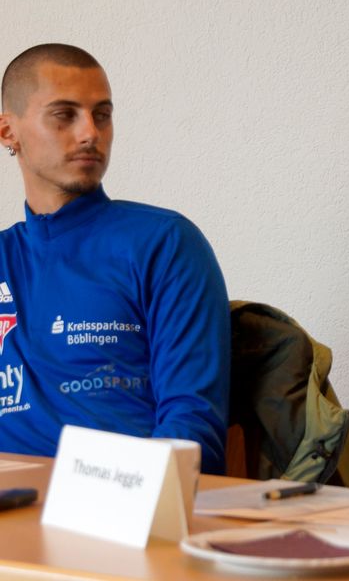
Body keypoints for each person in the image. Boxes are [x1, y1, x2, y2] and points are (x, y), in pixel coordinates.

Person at [0, 44, 230, 473]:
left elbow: (193, 431)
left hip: (117, 514)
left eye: (101, 114)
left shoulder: (164, 242)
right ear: (8, 132)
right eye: (64, 115)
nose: (90, 133)